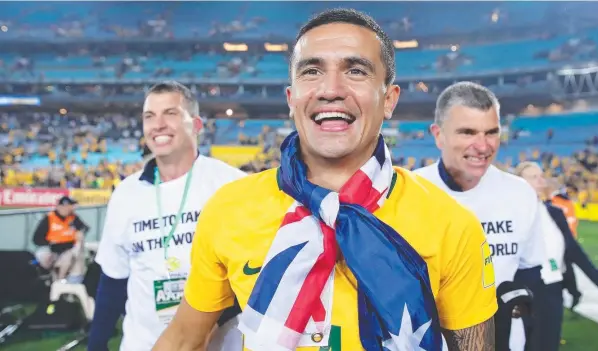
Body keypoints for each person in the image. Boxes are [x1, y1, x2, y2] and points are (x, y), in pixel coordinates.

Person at [154, 9, 497, 351]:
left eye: (356, 70)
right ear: (292, 99)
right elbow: (184, 338)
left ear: (389, 100)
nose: (331, 89)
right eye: (312, 71)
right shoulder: (229, 209)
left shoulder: (452, 225)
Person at [88, 81, 246, 351]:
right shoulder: (126, 194)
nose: (157, 124)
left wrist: (195, 334)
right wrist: (97, 344)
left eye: (170, 113)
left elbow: (250, 278)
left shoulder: (231, 185)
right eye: (149, 116)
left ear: (196, 125)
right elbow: (113, 281)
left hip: (217, 344)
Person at [413, 81, 546, 351]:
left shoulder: (520, 193)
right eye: (468, 132)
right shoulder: (409, 194)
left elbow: (531, 272)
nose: (482, 146)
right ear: (438, 135)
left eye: (491, 132)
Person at [514, 161, 598, 351]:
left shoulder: (554, 213)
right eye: (533, 177)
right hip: (522, 293)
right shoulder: (509, 216)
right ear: (518, 182)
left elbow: (575, 252)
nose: (540, 180)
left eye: (541, 176)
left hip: (553, 291)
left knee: (548, 345)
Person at [33, 195, 90, 282]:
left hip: (68, 249)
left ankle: (60, 281)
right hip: (51, 249)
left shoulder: (73, 217)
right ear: (60, 206)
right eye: (67, 206)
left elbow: (85, 228)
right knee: (45, 257)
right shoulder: (49, 218)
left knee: (70, 257)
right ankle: (48, 279)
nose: (70, 209)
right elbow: (36, 239)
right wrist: (50, 243)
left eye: (70, 206)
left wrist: (80, 232)